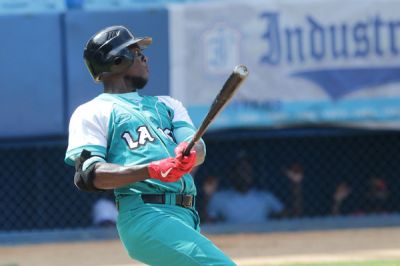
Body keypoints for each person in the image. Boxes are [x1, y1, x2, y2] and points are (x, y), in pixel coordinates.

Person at [64, 25, 235, 265]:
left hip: (186, 215)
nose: (144, 57)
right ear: (116, 61)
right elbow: (90, 175)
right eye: (135, 51)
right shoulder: (93, 111)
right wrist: (150, 170)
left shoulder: (168, 104)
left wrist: (189, 153)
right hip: (145, 214)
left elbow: (199, 149)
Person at [205, 151, 284, 224]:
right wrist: (208, 195)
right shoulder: (220, 197)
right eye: (241, 169)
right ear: (233, 174)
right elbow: (206, 222)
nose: (245, 174)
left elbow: (291, 217)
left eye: (248, 169)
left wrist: (296, 185)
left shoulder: (265, 197)